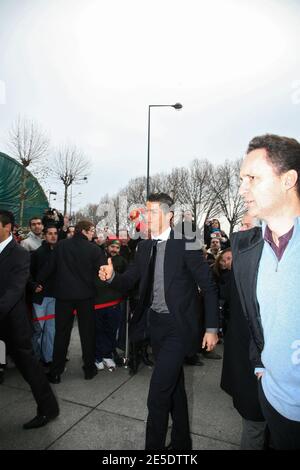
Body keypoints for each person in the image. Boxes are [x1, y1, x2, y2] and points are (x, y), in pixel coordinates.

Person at [99, 193, 219, 450]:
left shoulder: (186, 241)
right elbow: (129, 279)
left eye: (152, 212)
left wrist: (211, 327)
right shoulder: (144, 246)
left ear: (169, 216)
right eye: (145, 212)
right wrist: (111, 277)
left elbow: (208, 286)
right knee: (174, 388)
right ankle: (181, 444)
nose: (146, 217)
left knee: (157, 396)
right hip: (155, 326)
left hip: (179, 327)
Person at [232, 134, 300, 450]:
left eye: (253, 178)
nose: (242, 188)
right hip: (272, 401)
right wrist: (260, 364)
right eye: (241, 179)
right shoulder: (247, 251)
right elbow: (254, 318)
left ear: (288, 180)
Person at [0, 210, 59, 429]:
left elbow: (15, 290)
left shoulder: (19, 253)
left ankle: (48, 409)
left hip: (13, 325)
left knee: (30, 370)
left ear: (8, 227)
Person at [221, 214, 266, 450]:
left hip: (266, 364)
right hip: (247, 361)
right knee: (253, 422)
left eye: (247, 226)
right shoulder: (242, 264)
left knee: (256, 425)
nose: (240, 231)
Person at [45, 220, 106, 383]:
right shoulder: (94, 249)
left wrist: (39, 283)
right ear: (85, 231)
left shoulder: (60, 246)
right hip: (86, 297)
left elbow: (50, 269)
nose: (93, 233)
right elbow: (102, 273)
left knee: (61, 334)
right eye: (92, 230)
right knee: (87, 334)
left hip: (63, 296)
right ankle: (89, 369)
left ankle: (55, 372)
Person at [30, 224, 58, 365]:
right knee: (38, 331)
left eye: (55, 233)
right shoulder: (37, 253)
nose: (53, 236)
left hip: (55, 297)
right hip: (40, 299)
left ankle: (49, 359)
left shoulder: (61, 252)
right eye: (50, 233)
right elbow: (28, 274)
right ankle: (35, 362)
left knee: (51, 331)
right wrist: (34, 285)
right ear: (44, 235)